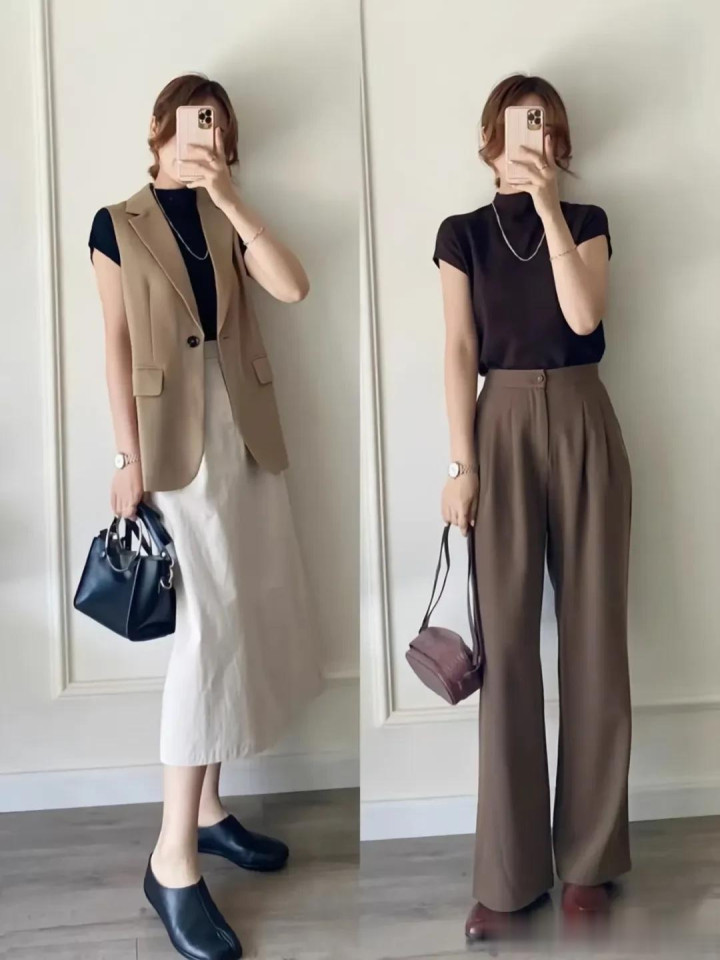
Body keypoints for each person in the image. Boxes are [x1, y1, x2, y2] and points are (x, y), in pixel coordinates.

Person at [89, 73, 324, 960]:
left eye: (218, 127)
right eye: (193, 122)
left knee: (240, 622)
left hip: (247, 438)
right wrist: (127, 459)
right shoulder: (115, 222)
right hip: (171, 451)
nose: (204, 136)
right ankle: (172, 861)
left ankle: (212, 810)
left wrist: (227, 194)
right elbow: (115, 345)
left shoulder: (230, 211)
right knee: (203, 636)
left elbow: (293, 287)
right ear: (159, 130)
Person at [433, 73, 632, 940]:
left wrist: (550, 207)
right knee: (508, 647)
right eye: (518, 124)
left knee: (594, 640)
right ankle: (508, 874)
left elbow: (584, 318)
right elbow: (457, 349)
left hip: (586, 416)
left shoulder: (587, 221)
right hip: (501, 424)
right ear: (491, 139)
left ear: (561, 140)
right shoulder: (462, 234)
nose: (531, 137)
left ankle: (590, 861)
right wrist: (461, 464)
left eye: (545, 125)